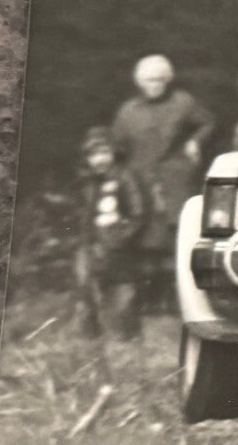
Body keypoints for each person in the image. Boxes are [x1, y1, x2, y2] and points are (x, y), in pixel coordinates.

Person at [112, 54, 215, 308]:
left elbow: (208, 123)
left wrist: (194, 142)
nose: (155, 85)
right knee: (146, 240)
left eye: (160, 80)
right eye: (149, 80)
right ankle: (150, 300)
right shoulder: (128, 111)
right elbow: (117, 146)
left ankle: (178, 298)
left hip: (175, 179)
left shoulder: (183, 102)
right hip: (141, 182)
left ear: (168, 80)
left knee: (177, 237)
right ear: (139, 82)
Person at [74, 127, 146, 340]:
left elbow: (138, 213)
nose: (99, 159)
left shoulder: (125, 178)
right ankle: (90, 336)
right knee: (85, 287)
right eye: (93, 154)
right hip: (90, 244)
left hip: (117, 245)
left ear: (114, 152)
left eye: (104, 152)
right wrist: (85, 240)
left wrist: (121, 238)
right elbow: (82, 214)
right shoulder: (86, 182)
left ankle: (126, 335)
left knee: (122, 290)